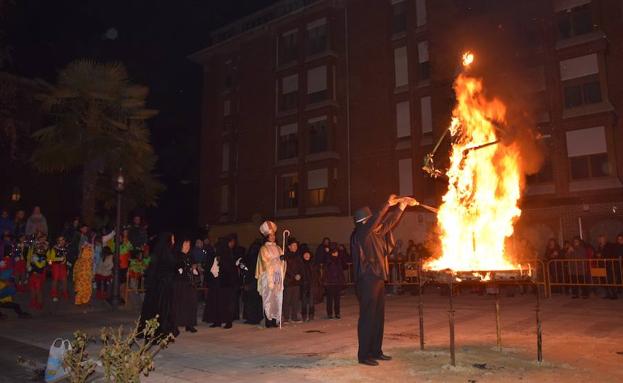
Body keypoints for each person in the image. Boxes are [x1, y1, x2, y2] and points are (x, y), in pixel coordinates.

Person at [351, 195, 416, 366]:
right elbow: (378, 219)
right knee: (367, 317)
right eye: (372, 220)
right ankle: (364, 355)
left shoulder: (375, 233)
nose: (378, 223)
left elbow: (389, 223)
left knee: (378, 317)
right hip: (367, 280)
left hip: (378, 278)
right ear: (365, 221)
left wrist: (401, 206)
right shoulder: (361, 233)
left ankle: (376, 351)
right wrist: (387, 203)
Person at [139, 232, 177, 337]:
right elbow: (165, 268)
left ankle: (158, 327)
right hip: (162, 287)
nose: (174, 241)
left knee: (160, 308)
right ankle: (159, 329)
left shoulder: (163, 252)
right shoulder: (165, 254)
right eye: (172, 239)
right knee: (161, 308)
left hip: (161, 286)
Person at [203, 235, 237, 329]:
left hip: (225, 283)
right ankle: (217, 321)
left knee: (226, 303)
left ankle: (228, 322)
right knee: (216, 302)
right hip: (216, 283)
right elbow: (210, 267)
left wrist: (221, 263)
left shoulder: (227, 255)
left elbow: (229, 269)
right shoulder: (215, 255)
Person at [255, 221, 286, 328]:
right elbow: (264, 262)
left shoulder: (278, 248)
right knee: (268, 298)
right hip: (268, 277)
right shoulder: (263, 249)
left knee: (277, 297)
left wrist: (283, 260)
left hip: (277, 276)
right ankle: (268, 319)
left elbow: (283, 263)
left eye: (273, 235)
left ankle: (276, 318)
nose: (272, 237)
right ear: (267, 237)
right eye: (270, 235)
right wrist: (277, 259)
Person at [172, 237, 199, 333]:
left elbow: (194, 267)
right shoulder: (176, 255)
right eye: (185, 244)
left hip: (189, 282)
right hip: (179, 283)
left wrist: (194, 267)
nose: (187, 247)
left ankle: (189, 324)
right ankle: (175, 324)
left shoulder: (190, 256)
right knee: (178, 304)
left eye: (189, 245)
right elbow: (175, 268)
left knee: (191, 303)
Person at [241, 238, 264, 325]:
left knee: (250, 300)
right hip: (257, 280)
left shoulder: (249, 257)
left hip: (250, 280)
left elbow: (244, 266)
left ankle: (251, 318)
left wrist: (244, 269)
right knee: (256, 300)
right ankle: (256, 317)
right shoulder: (259, 257)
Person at [282, 237, 303, 323]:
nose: (295, 247)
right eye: (293, 245)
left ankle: (294, 316)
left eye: (296, 245)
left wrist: (300, 275)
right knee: (287, 299)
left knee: (295, 300)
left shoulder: (298, 256)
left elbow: (301, 267)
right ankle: (286, 317)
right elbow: (286, 268)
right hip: (288, 281)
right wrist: (294, 275)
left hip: (296, 281)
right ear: (289, 246)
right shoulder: (286, 256)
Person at [324, 242, 347, 319]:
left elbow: (342, 268)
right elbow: (327, 268)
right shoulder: (329, 259)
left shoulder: (339, 260)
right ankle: (329, 313)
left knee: (337, 299)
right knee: (330, 299)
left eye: (337, 251)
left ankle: (337, 313)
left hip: (337, 282)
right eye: (335, 252)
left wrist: (342, 281)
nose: (336, 253)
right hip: (330, 282)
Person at [300, 246, 322, 322]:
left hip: (312, 285)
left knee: (311, 301)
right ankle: (304, 315)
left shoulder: (313, 264)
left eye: (308, 254)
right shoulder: (301, 264)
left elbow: (317, 274)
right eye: (305, 254)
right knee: (304, 302)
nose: (306, 256)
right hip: (304, 285)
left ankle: (311, 315)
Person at [28, 235, 48, 310]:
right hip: (32, 275)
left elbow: (40, 266)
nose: (39, 248)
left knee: (38, 290)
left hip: (38, 275)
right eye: (37, 247)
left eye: (40, 247)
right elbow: (30, 263)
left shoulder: (43, 256)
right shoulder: (34, 255)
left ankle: (39, 303)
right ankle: (33, 302)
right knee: (32, 290)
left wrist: (36, 261)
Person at [47, 236, 70, 301]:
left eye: (63, 240)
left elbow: (66, 257)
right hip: (55, 266)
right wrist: (57, 259)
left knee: (64, 280)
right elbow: (50, 260)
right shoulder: (54, 248)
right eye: (60, 240)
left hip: (63, 266)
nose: (62, 241)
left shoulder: (65, 248)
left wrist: (67, 264)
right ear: (57, 241)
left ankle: (64, 292)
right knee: (55, 280)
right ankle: (54, 294)